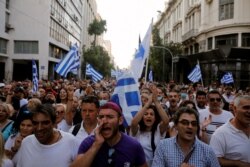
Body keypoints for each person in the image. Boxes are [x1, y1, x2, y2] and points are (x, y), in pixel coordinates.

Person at [70, 102, 147, 167]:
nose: (104, 121)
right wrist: (96, 145)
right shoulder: (89, 143)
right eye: (101, 117)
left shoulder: (133, 145)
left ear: (120, 120)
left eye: (110, 117)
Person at [14, 104, 79, 167]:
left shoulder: (70, 142)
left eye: (45, 123)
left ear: (54, 123)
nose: (39, 128)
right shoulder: (26, 142)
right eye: (35, 123)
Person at [152, 107, 220, 167]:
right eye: (184, 123)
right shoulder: (163, 146)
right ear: (175, 125)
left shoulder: (207, 151)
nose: (190, 127)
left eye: (194, 124)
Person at [130, 87, 169, 166]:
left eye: (152, 114)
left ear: (155, 118)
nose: (149, 116)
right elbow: (133, 123)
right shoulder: (137, 131)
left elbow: (166, 121)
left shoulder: (158, 130)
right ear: (141, 117)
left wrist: (156, 102)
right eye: (146, 114)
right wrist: (147, 104)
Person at [210, 95, 250, 166]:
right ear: (235, 109)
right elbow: (214, 160)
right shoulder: (220, 134)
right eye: (246, 108)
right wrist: (238, 164)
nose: (249, 111)